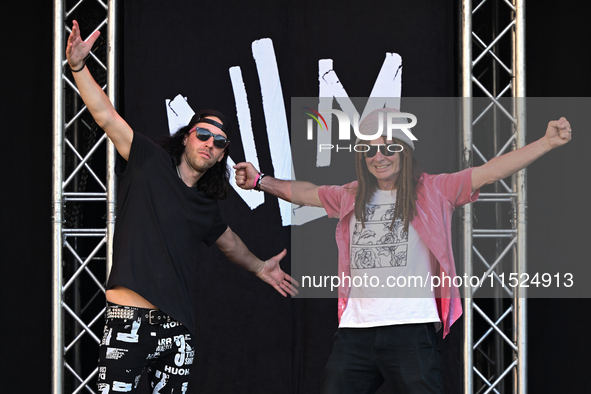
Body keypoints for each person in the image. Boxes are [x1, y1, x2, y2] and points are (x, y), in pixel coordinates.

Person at [234, 107, 572, 393]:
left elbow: (490, 171)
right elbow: (306, 192)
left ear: (405, 150)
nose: (378, 157)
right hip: (355, 333)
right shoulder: (350, 195)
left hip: (412, 329)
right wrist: (261, 180)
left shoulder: (436, 190)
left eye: (388, 147)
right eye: (369, 150)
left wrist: (546, 142)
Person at [66, 20, 297, 393]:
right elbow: (105, 115)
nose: (209, 143)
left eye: (219, 142)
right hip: (129, 319)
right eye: (203, 134)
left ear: (223, 154)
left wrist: (260, 268)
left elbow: (229, 241)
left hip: (177, 331)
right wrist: (78, 67)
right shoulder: (148, 160)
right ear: (187, 137)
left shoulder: (205, 206)